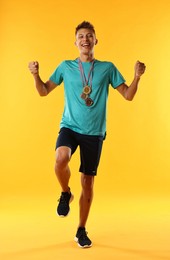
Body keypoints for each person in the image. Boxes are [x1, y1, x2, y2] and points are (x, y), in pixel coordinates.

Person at [28, 21, 146, 248]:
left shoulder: (108, 68)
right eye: (81, 36)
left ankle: (81, 230)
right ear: (75, 42)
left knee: (88, 182)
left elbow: (128, 96)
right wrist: (35, 75)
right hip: (70, 127)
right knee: (60, 158)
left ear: (95, 41)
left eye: (89, 36)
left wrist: (137, 77)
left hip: (94, 132)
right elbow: (43, 91)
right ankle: (65, 193)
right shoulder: (65, 67)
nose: (85, 39)